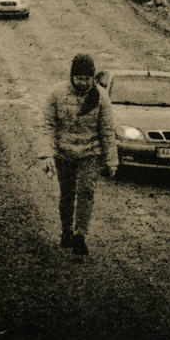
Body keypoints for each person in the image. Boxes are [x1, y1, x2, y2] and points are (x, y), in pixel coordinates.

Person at [38, 53, 118, 256]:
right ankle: (66, 230)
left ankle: (80, 235)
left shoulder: (100, 96)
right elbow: (47, 124)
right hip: (64, 153)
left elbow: (107, 130)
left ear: (92, 78)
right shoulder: (57, 93)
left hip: (90, 153)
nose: (83, 83)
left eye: (87, 79)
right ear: (72, 77)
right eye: (79, 78)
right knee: (67, 194)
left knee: (86, 191)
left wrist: (111, 160)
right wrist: (47, 154)